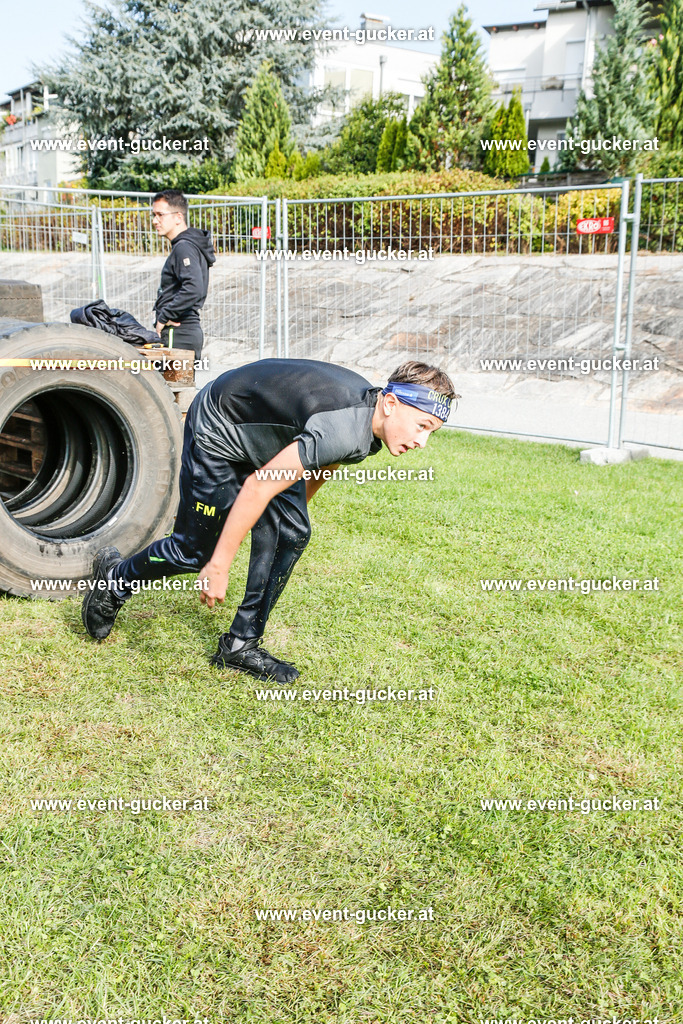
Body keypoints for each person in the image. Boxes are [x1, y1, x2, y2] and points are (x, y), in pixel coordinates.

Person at [82, 358, 458, 683]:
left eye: (431, 432)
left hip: (266, 435)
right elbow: (259, 487)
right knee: (193, 551)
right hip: (221, 427)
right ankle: (115, 581)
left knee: (291, 533)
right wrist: (220, 564)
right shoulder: (345, 424)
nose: (422, 442)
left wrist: (289, 515)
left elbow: (324, 461)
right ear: (391, 403)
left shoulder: (371, 420)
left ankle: (240, 645)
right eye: (422, 425)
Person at [152, 189, 216, 359]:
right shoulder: (188, 245)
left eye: (160, 215)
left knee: (170, 386)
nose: (155, 220)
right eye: (154, 215)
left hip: (178, 332)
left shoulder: (184, 247)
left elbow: (194, 287)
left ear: (178, 217)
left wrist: (165, 316)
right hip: (183, 332)